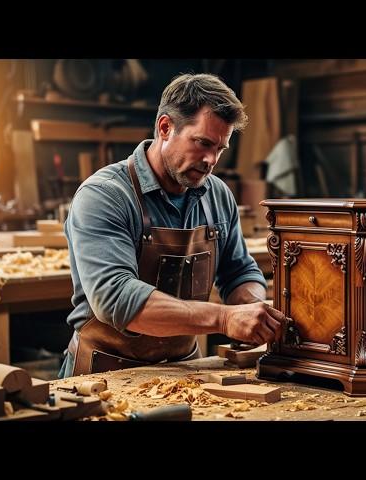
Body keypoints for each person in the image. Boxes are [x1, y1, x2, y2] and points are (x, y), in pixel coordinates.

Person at [59, 73, 285, 378]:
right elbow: (117, 299)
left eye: (220, 149)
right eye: (202, 143)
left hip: (185, 372)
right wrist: (224, 319)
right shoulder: (105, 195)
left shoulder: (216, 195)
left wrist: (255, 310)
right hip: (104, 376)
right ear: (165, 128)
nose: (210, 160)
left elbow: (238, 272)